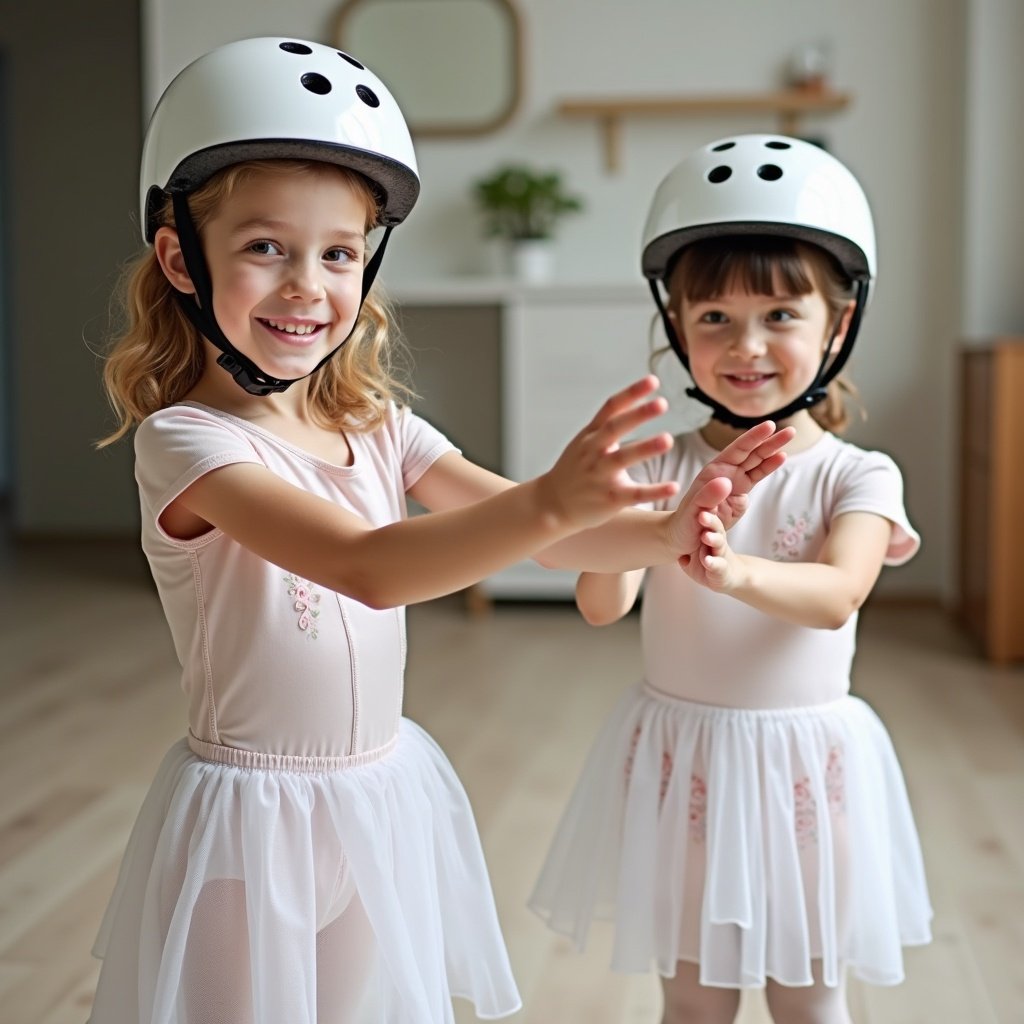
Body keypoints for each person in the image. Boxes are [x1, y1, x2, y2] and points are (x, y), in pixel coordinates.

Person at [89, 41, 794, 1024]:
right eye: (264, 247)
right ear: (181, 260)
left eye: (337, 252)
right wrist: (552, 499)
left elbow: (552, 547)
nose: (306, 286)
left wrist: (667, 526)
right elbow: (365, 566)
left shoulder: (376, 424)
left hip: (375, 797)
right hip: (251, 816)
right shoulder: (186, 442)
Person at [529, 134, 933, 1024]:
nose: (746, 345)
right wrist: (612, 519)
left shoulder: (857, 474)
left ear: (840, 324)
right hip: (687, 764)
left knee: (808, 995)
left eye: (781, 316)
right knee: (695, 998)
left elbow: (838, 597)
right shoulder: (666, 466)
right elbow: (602, 606)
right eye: (713, 317)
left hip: (802, 769)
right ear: (675, 328)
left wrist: (732, 568)